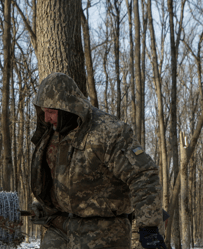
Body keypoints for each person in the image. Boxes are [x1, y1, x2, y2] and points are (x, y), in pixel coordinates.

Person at [30, 72, 164, 249]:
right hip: (61, 228)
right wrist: (45, 205)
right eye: (44, 111)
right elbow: (57, 179)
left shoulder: (107, 132)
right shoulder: (52, 134)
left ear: (68, 108)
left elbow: (143, 175)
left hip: (104, 234)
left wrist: (149, 228)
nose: (47, 118)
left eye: (51, 112)